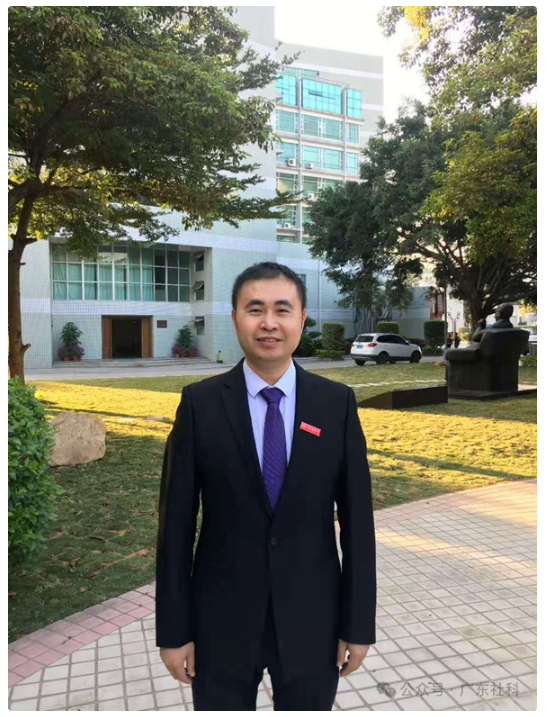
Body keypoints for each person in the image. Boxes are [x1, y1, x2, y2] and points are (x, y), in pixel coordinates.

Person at [155, 262, 377, 711]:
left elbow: (358, 526)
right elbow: (174, 528)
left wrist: (357, 625)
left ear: (302, 318)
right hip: (220, 620)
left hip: (314, 619)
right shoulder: (199, 404)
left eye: (282, 310)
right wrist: (174, 631)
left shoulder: (336, 404)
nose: (269, 323)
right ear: (235, 317)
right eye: (255, 309)